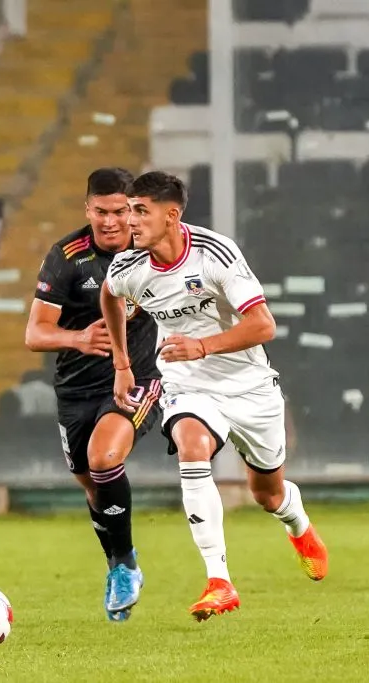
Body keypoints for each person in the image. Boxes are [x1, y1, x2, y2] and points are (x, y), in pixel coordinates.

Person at [101, 171, 328, 622]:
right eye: (128, 211)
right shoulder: (127, 268)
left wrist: (202, 344)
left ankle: (297, 523)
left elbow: (264, 326)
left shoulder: (213, 253)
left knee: (267, 493)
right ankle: (219, 581)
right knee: (191, 444)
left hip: (250, 386)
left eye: (140, 210)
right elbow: (110, 297)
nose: (130, 220)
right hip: (188, 382)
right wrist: (122, 364)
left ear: (172, 214)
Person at [24, 168, 163, 621]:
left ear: (134, 209)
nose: (110, 221)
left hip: (138, 378)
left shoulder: (154, 250)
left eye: (120, 211)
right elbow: (35, 334)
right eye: (100, 211)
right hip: (75, 389)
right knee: (92, 485)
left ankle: (124, 566)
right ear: (88, 210)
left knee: (105, 459)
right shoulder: (66, 257)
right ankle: (118, 561)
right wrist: (79, 339)